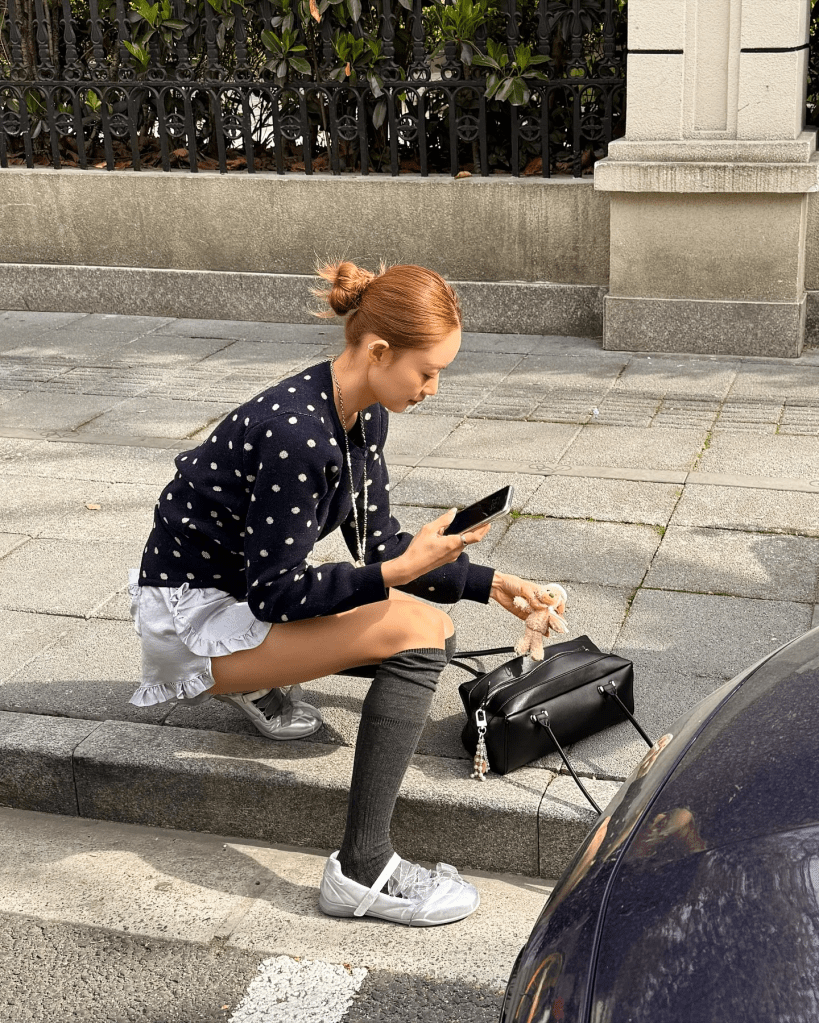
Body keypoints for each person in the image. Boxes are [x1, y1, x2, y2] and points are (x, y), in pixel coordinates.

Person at [126, 260, 557, 927]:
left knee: (431, 629)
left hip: (228, 596)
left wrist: (493, 584)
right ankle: (364, 870)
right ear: (378, 351)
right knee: (417, 634)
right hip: (186, 627)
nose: (433, 389)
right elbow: (278, 592)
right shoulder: (298, 435)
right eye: (427, 371)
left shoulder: (357, 415)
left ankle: (256, 682)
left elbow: (380, 545)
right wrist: (393, 575)